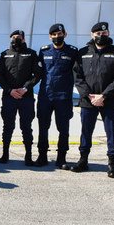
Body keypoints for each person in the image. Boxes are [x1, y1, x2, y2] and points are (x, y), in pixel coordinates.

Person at [72, 21, 114, 178]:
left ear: (108, 34)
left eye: (104, 34)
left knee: (111, 132)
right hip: (88, 100)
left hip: (109, 100)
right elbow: (77, 76)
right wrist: (90, 96)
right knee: (86, 131)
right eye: (98, 34)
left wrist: (104, 96)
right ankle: (83, 160)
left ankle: (112, 164)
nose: (101, 36)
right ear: (92, 35)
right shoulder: (83, 52)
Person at [0, 29, 43, 165]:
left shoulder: (31, 54)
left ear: (23, 40)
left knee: (26, 127)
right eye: (14, 37)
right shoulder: (5, 55)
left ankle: (28, 155)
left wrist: (24, 88)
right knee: (8, 126)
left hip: (26, 97)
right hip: (9, 96)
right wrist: (9, 90)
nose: (16, 39)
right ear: (10, 39)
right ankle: (5, 154)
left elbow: (38, 74)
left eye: (19, 37)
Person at [35, 24, 78, 169]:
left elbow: (77, 73)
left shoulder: (72, 52)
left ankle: (61, 158)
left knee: (63, 128)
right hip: (46, 95)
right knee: (43, 127)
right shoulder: (43, 51)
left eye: (60, 34)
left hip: (63, 96)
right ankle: (42, 156)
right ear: (50, 36)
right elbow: (39, 72)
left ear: (65, 34)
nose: (57, 37)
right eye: (54, 34)